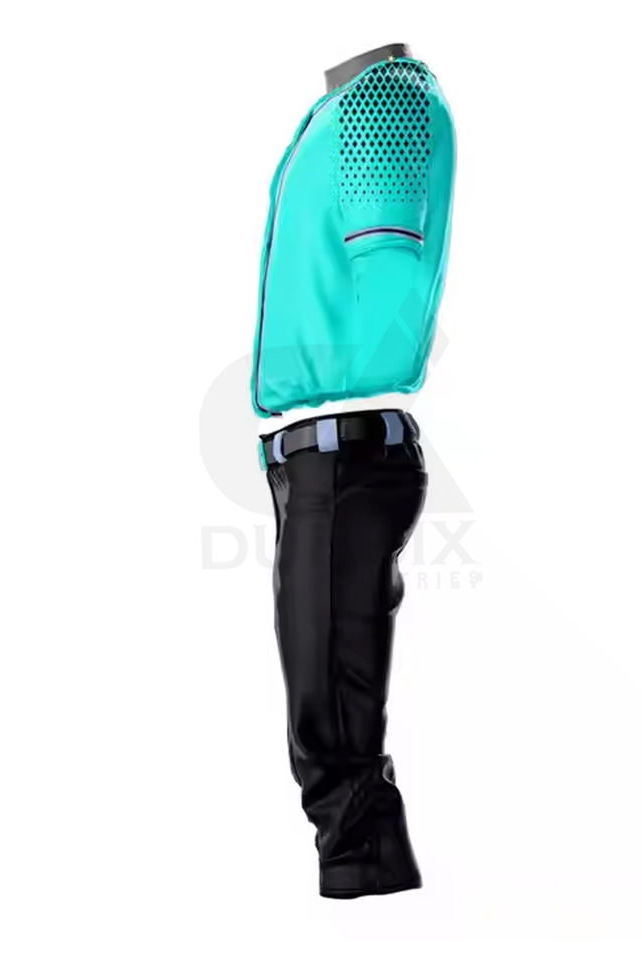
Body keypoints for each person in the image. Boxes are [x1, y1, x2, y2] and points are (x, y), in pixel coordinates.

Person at [251, 43, 456, 898]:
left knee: (332, 736)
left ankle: (373, 908)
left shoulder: (382, 102)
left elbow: (390, 279)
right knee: (326, 714)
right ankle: (367, 894)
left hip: (346, 454)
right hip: (327, 457)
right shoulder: (349, 109)